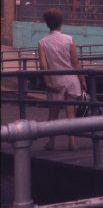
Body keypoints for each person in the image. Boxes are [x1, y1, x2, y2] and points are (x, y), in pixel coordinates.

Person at [37, 8, 86, 151]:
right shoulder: (69, 39)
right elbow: (75, 62)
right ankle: (72, 142)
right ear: (61, 23)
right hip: (71, 80)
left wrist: (47, 83)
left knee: (53, 114)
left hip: (55, 81)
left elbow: (43, 65)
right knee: (71, 113)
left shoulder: (42, 43)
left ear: (47, 24)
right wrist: (82, 80)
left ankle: (51, 142)